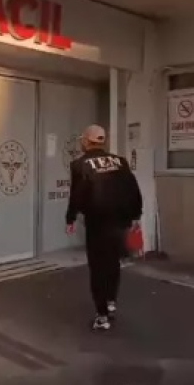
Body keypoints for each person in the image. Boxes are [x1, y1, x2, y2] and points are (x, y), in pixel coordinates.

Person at [65, 124, 142, 331]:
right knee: (113, 263)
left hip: (97, 223)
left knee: (98, 267)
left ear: (86, 141)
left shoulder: (80, 165)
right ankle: (110, 301)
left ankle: (102, 316)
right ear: (103, 141)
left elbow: (77, 194)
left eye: (82, 139)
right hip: (119, 222)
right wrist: (136, 215)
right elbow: (133, 189)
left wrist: (70, 218)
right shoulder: (120, 162)